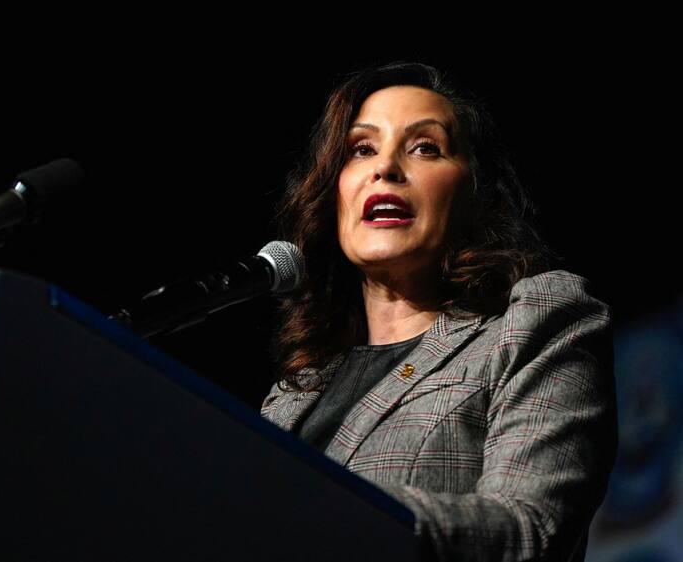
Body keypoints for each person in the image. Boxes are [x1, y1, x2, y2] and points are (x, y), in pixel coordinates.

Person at [259, 60, 618, 562]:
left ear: (475, 192)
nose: (385, 168)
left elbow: (528, 529)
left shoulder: (537, 320)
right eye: (361, 149)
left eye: (425, 147)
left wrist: (331, 506)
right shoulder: (294, 391)